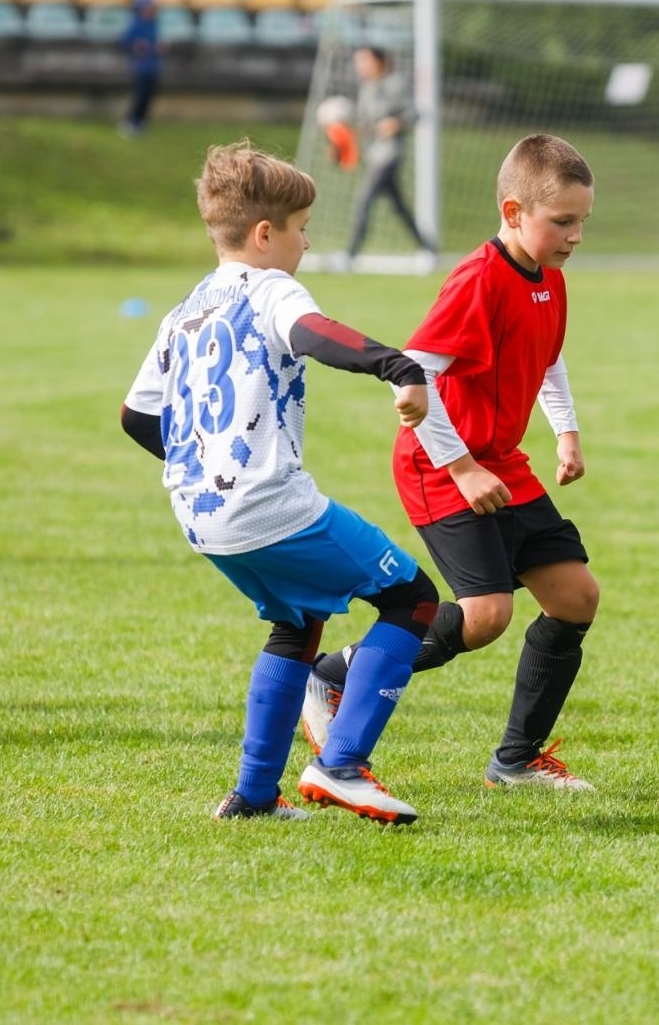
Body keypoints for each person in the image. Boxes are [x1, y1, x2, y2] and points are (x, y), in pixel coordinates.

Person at [120, 140, 441, 824]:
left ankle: (253, 797)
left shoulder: (186, 308)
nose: (306, 241)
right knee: (412, 598)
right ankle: (342, 764)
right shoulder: (271, 288)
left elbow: (136, 414)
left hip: (202, 515)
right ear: (264, 235)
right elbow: (316, 333)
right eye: (300, 229)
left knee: (296, 622)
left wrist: (203, 470)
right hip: (270, 504)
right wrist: (398, 366)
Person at [306, 135, 600, 791]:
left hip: (502, 461)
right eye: (562, 221)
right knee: (486, 614)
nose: (575, 235)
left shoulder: (549, 278)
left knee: (576, 596)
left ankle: (517, 760)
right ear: (513, 208)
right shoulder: (477, 280)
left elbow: (548, 356)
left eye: (582, 221)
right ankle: (335, 673)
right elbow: (412, 374)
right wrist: (463, 466)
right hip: (440, 466)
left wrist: (566, 431)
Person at [343, 46, 436, 267]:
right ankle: (429, 248)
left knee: (364, 200)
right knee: (399, 206)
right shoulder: (366, 88)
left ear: (378, 61)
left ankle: (350, 254)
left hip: (389, 155)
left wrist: (395, 123)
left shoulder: (396, 84)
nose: (360, 66)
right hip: (373, 155)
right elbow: (366, 125)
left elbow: (414, 113)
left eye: (364, 60)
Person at [118, 0, 161, 137]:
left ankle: (141, 122)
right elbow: (125, 41)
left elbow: (154, 43)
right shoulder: (136, 24)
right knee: (140, 95)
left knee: (149, 96)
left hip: (153, 66)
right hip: (141, 66)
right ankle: (131, 121)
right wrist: (135, 46)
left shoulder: (153, 24)